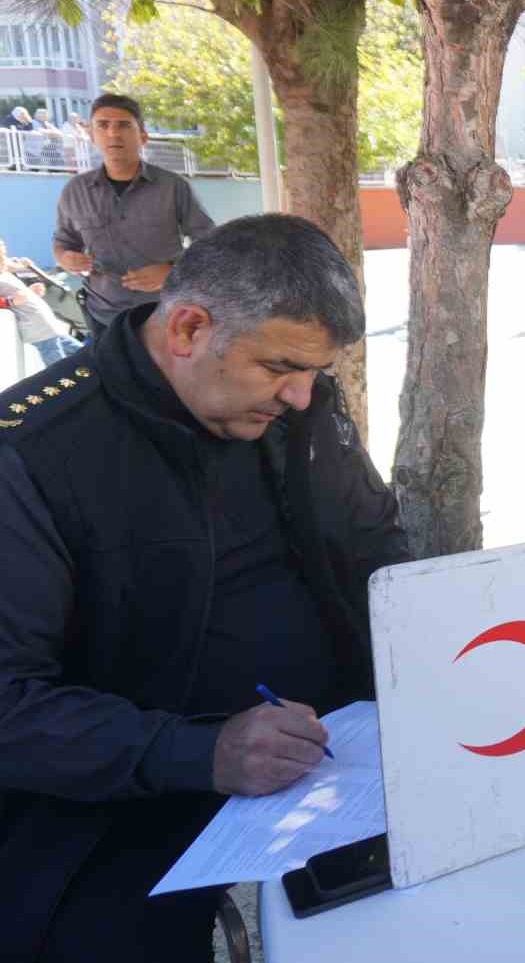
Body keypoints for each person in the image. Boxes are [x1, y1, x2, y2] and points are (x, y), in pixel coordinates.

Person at [0, 214, 410, 961]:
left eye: (316, 372)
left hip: (343, 747)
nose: (299, 396)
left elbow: (376, 541)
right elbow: (9, 704)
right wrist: (200, 752)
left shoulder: (299, 404)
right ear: (188, 329)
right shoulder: (34, 454)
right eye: (281, 367)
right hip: (129, 785)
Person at [53, 93, 215, 337]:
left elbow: (210, 243)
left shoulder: (172, 187)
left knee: (163, 377)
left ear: (143, 137)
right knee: (112, 376)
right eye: (103, 125)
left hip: (166, 314)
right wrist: (66, 258)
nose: (113, 133)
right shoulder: (75, 191)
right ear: (91, 136)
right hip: (103, 316)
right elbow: (63, 241)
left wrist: (172, 273)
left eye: (123, 125)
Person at [0, 238, 83, 367]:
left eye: (4, 254)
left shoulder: (4, 273)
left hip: (48, 328)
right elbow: (14, 299)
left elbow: (11, 265)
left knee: (86, 355)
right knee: (59, 371)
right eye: (2, 256)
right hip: (40, 333)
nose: (6, 259)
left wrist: (23, 266)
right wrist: (11, 301)